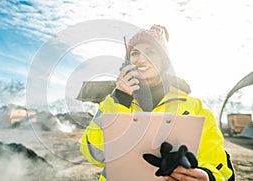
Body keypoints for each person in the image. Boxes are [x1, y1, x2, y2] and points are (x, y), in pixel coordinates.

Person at [80, 24, 235, 181]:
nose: (141, 59)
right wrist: (119, 100)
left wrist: (208, 176)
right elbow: (94, 154)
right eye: (134, 53)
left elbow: (220, 168)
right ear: (128, 63)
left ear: (163, 61)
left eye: (151, 52)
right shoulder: (114, 103)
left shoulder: (195, 108)